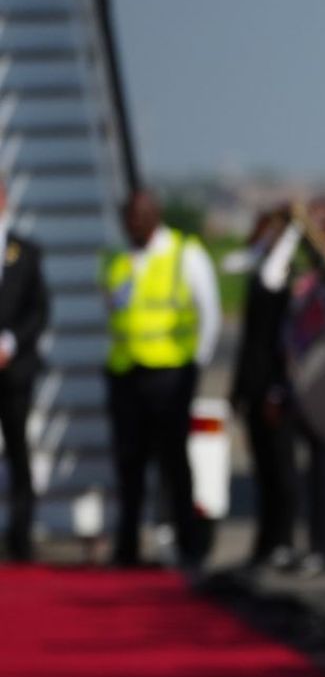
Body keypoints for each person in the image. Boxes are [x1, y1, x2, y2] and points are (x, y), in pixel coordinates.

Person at [102, 189, 221, 568]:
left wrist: (195, 365)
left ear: (156, 214)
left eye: (139, 216)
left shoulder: (185, 253)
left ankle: (187, 545)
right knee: (129, 461)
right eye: (128, 217)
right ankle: (127, 547)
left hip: (170, 374)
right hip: (126, 371)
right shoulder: (118, 259)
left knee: (174, 462)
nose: (133, 224)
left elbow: (210, 314)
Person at [249, 199, 325, 574]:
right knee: (316, 470)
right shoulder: (301, 278)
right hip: (303, 381)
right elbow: (270, 281)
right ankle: (324, 545)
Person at [231, 208, 299, 569]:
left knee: (281, 468)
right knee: (264, 469)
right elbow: (250, 341)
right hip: (255, 386)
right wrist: (238, 390)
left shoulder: (285, 276)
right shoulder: (262, 271)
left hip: (275, 389)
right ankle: (265, 542)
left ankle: (283, 541)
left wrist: (277, 390)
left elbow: (284, 342)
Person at [0, 176, 50, 562]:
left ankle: (21, 537)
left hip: (14, 371)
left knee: (19, 451)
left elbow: (39, 311)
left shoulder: (27, 252)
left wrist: (10, 343)